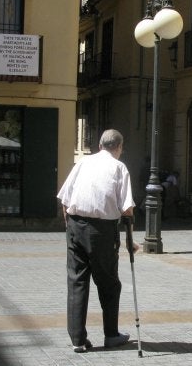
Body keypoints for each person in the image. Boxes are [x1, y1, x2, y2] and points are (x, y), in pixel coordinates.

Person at [57, 129, 138, 353]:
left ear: (101, 145)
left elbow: (65, 198)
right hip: (102, 230)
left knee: (77, 281)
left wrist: (71, 227)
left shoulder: (83, 162)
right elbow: (127, 208)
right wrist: (130, 238)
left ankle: (78, 339)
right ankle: (111, 334)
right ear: (119, 147)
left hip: (75, 225)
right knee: (109, 283)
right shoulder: (119, 167)